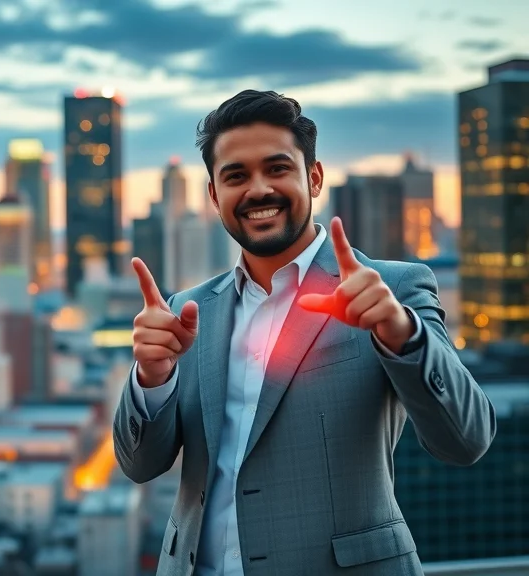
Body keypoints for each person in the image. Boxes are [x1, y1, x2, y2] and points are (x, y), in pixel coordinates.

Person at [113, 90, 496, 575]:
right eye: (235, 176)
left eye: (277, 168)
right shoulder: (187, 312)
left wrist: (401, 331)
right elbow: (139, 465)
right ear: (214, 196)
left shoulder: (391, 289)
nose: (257, 190)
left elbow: (467, 439)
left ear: (313, 178)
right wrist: (151, 377)